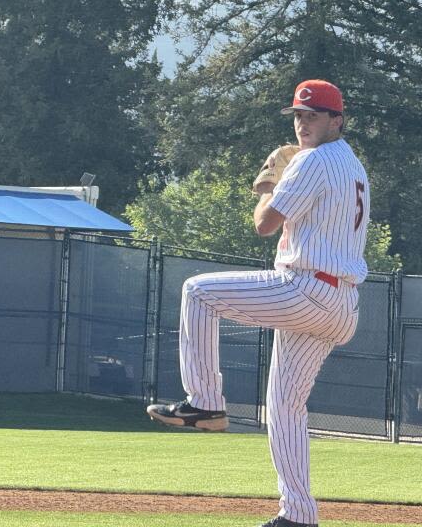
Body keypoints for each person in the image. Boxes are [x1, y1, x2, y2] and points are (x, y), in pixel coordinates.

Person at [146, 79, 370, 527]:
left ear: (337, 120)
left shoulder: (313, 160)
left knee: (198, 291)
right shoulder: (352, 165)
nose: (303, 123)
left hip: (308, 288)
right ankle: (299, 516)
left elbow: (265, 224)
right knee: (285, 407)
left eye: (314, 115)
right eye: (298, 115)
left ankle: (206, 402)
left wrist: (269, 184)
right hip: (341, 302)